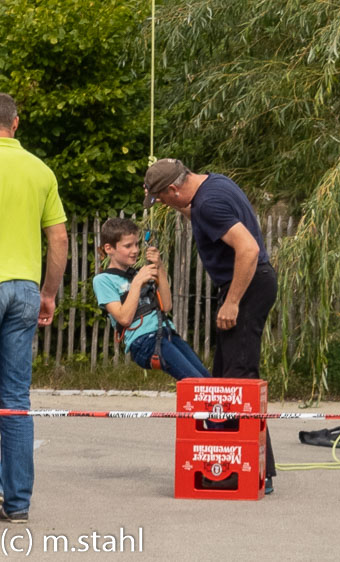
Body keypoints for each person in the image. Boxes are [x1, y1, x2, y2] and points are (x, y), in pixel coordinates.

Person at [143, 157, 278, 494]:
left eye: (161, 198)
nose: (162, 204)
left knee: (240, 377)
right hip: (251, 283)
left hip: (246, 285)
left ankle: (257, 471)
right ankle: (237, 461)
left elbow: (248, 248)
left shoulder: (209, 204)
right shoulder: (214, 184)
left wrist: (232, 302)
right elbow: (198, 214)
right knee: (226, 375)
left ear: (174, 188)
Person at [0, 92, 68, 523]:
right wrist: (48, 293)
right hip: (24, 288)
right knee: (14, 398)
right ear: (16, 123)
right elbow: (58, 240)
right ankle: (19, 503)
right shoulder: (41, 170)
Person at [93, 218, 210, 380]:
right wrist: (137, 282)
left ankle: (212, 405)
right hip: (144, 342)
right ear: (109, 248)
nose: (135, 250)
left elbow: (166, 306)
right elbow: (124, 318)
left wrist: (159, 266)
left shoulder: (137, 274)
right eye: (128, 246)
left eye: (136, 244)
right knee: (196, 384)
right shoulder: (103, 280)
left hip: (166, 334)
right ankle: (205, 405)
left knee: (208, 380)